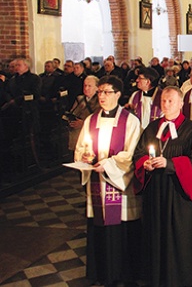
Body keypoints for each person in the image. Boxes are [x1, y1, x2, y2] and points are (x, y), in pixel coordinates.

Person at [133, 86, 192, 287]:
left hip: (179, 194)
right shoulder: (151, 128)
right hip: (155, 192)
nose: (166, 104)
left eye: (171, 101)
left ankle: (180, 279)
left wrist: (171, 164)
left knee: (179, 237)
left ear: (181, 103)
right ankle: (156, 277)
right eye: (164, 101)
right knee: (155, 234)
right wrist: (144, 164)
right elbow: (138, 154)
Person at [73, 75, 142, 286]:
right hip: (97, 182)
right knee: (99, 227)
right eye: (100, 92)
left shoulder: (130, 120)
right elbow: (81, 148)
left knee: (119, 229)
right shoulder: (90, 120)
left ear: (118, 95)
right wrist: (85, 158)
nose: (101, 96)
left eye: (107, 92)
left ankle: (122, 274)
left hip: (118, 186)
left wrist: (109, 165)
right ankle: (101, 272)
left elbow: (131, 154)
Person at [66, 75, 100, 151]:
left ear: (97, 88)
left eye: (89, 86)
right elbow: (73, 112)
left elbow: (99, 119)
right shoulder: (79, 98)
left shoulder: (100, 101)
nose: (86, 88)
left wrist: (84, 123)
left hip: (91, 136)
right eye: (85, 85)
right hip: (74, 135)